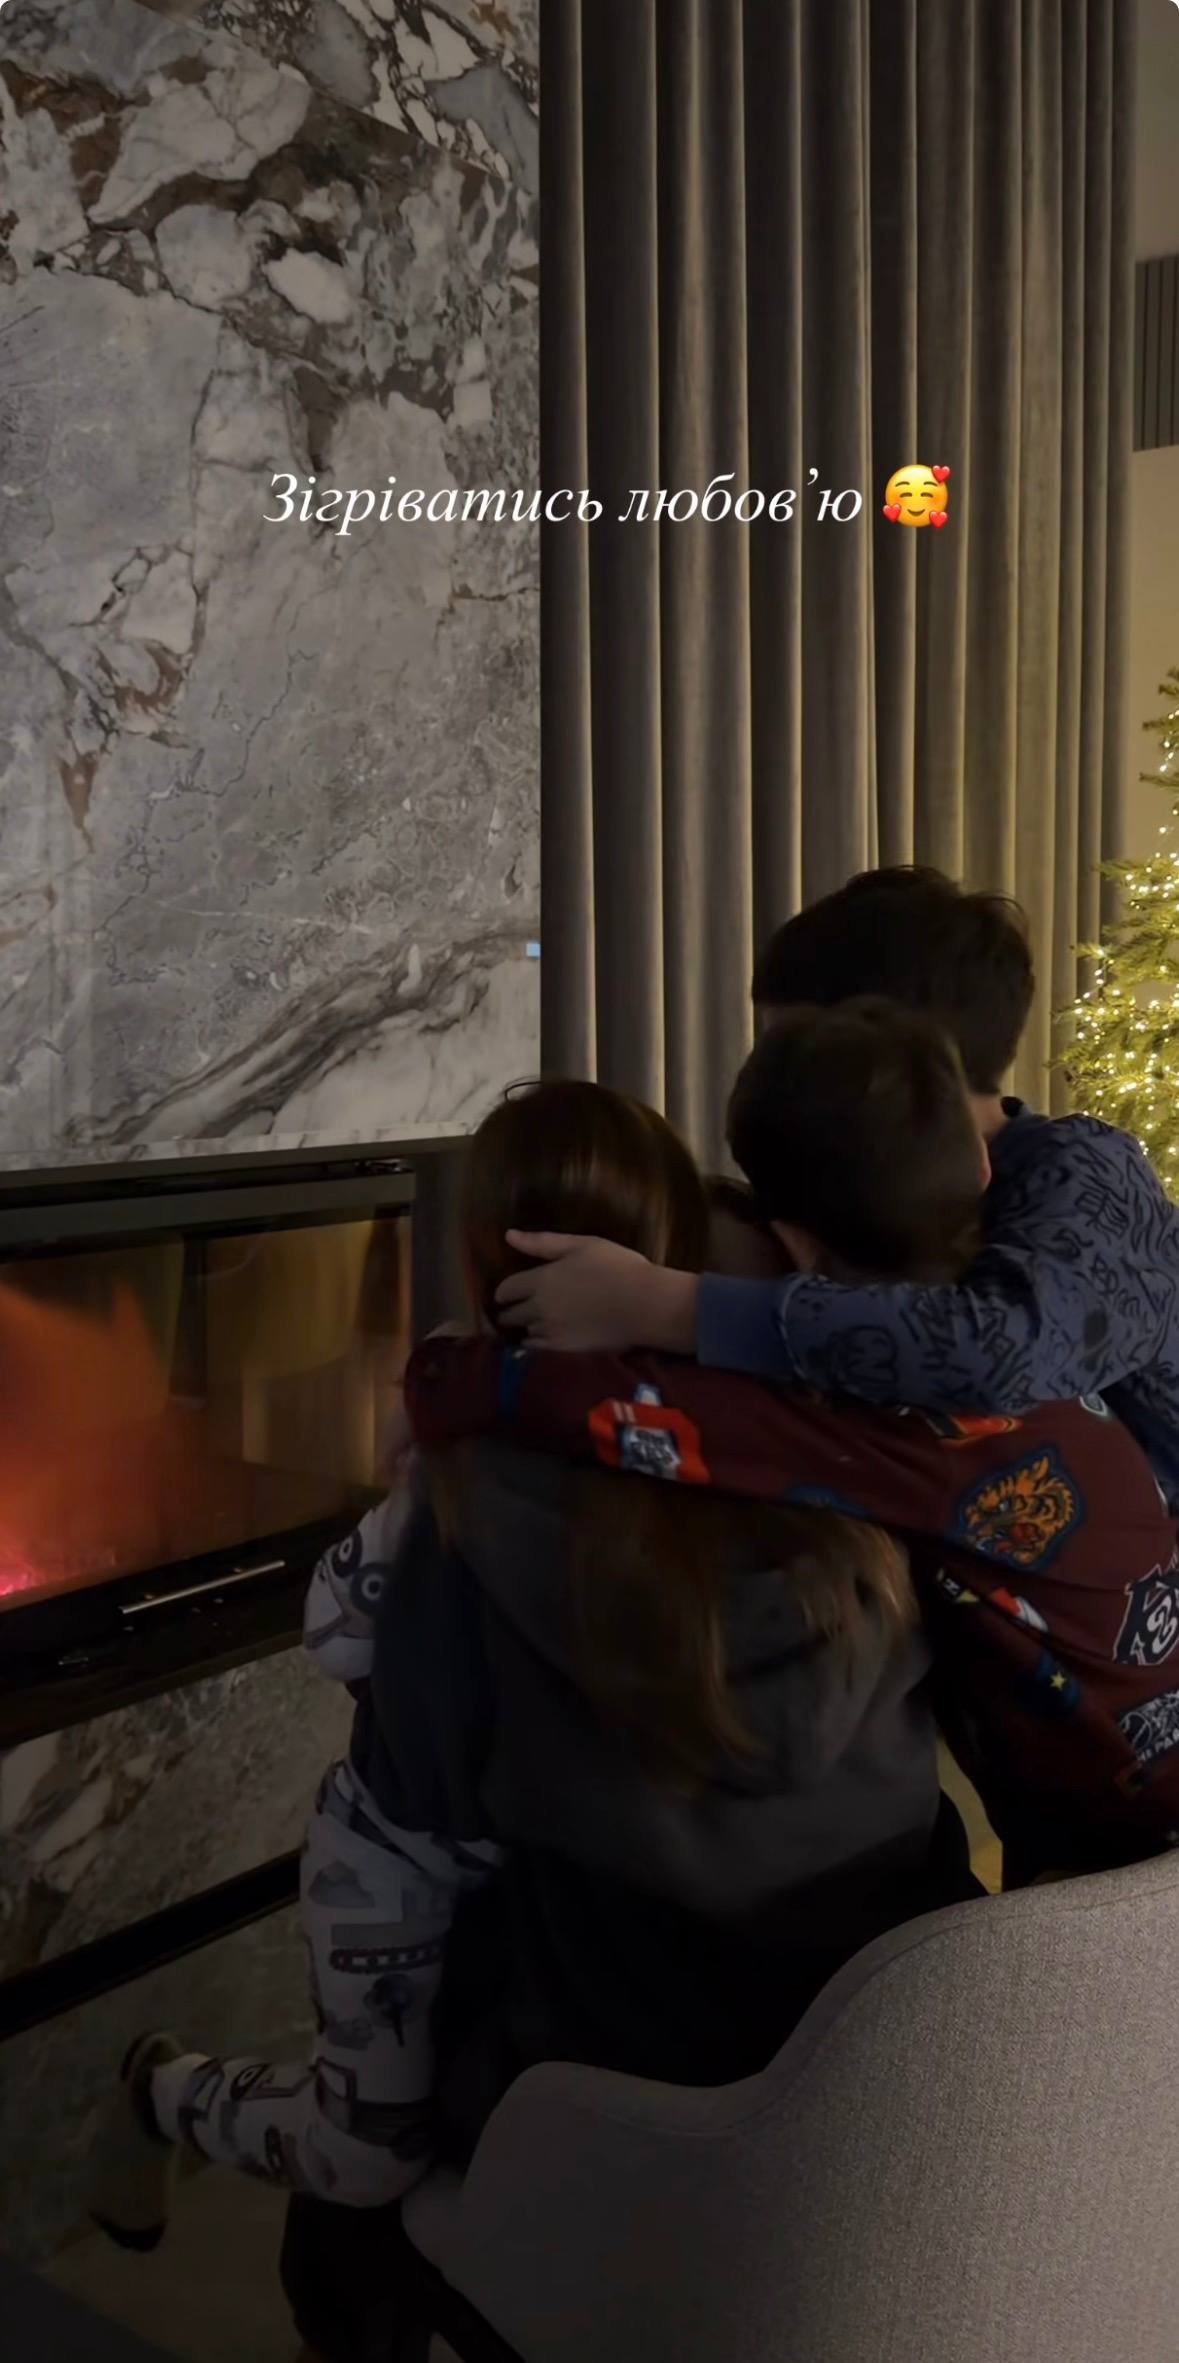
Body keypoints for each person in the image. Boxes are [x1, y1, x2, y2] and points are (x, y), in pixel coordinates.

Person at [88, 1079, 972, 2305]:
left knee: (364, 2152)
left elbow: (393, 1734)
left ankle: (161, 2090)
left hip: (628, 2065)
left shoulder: (479, 1496)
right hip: (871, 2058)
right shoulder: (822, 1455)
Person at [405, 1005, 1179, 1885]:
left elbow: (641, 1418)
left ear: (795, 1245)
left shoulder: (874, 1427)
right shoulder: (1032, 1343)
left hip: (1130, 1839)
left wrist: (449, 1371)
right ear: (978, 1163)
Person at [490, 866, 1179, 1510]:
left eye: (790, 1048)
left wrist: (666, 1306)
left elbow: (1003, 1353)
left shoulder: (1087, 1172)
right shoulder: (830, 1196)